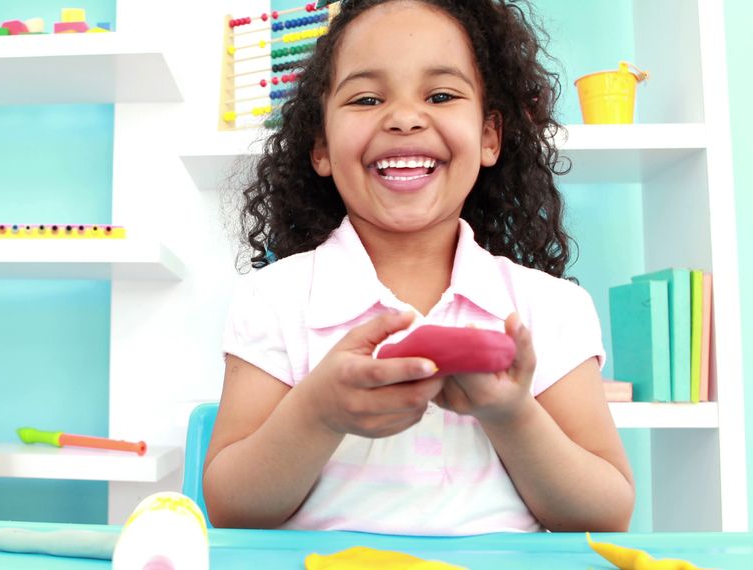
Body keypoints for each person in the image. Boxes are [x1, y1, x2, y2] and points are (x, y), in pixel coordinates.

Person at [205, 0, 634, 535]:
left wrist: (512, 416)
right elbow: (231, 506)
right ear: (320, 145)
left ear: (488, 137)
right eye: (366, 98)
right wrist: (317, 413)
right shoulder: (273, 299)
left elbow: (605, 512)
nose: (405, 117)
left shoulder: (548, 308)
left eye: (441, 95)